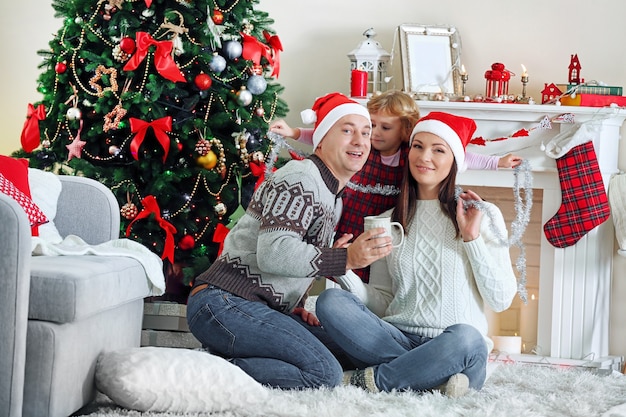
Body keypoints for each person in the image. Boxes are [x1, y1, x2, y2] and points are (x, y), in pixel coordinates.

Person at [186, 92, 394, 390]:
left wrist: (287, 305)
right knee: (324, 374)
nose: (360, 141)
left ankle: (236, 358)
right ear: (321, 138)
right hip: (224, 303)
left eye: (366, 132)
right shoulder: (301, 179)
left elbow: (291, 256)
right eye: (347, 130)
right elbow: (274, 253)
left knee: (350, 353)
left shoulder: (331, 194)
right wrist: (345, 259)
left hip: (256, 306)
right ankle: (205, 373)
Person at [315, 111, 518, 397]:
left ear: (455, 160)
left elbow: (501, 299)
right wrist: (343, 271)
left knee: (468, 338)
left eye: (438, 150)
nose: (424, 157)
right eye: (418, 146)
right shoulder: (388, 220)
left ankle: (380, 379)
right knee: (331, 301)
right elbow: (383, 302)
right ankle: (429, 378)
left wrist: (471, 238)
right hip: (397, 338)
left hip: (454, 346)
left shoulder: (481, 215)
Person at [270, 90, 521, 283]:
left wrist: (498, 162)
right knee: (345, 266)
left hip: (388, 225)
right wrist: (293, 132)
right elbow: (327, 135)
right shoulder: (363, 149)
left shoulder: (412, 154)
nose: (374, 133)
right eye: (372, 125)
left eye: (385, 127)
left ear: (406, 129)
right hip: (352, 218)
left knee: (378, 272)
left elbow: (463, 157)